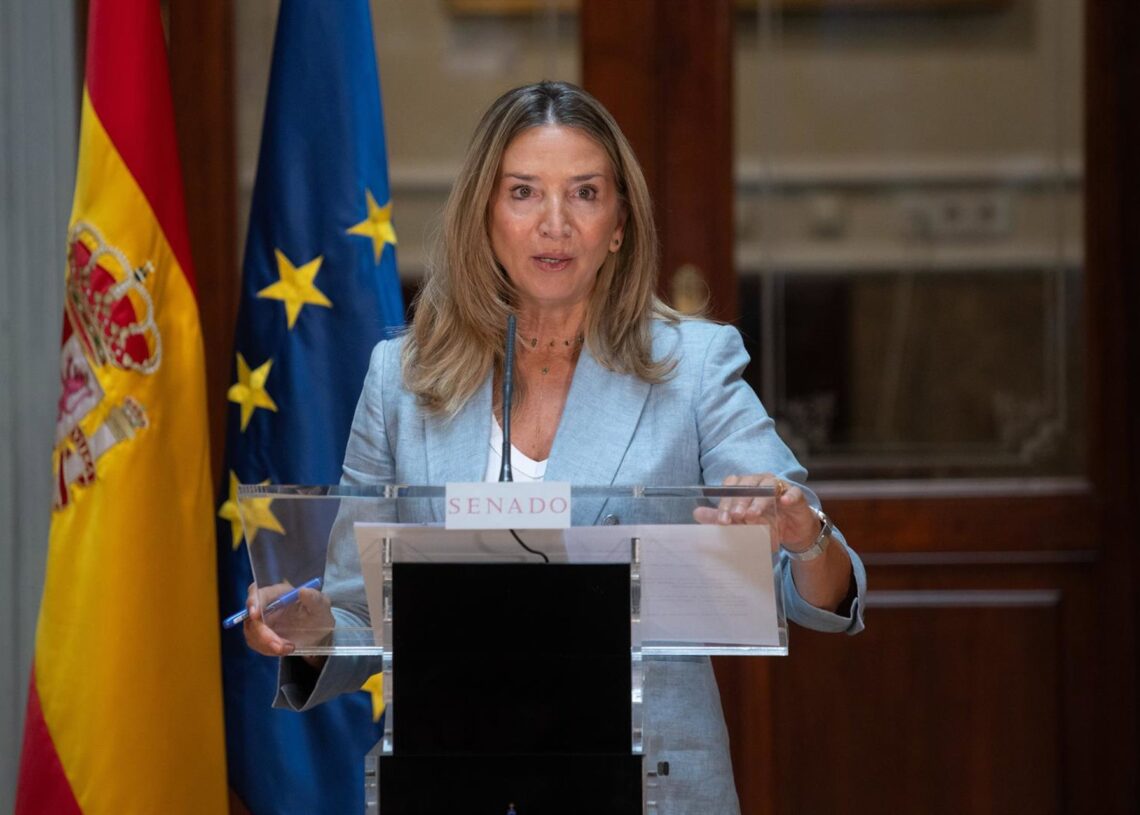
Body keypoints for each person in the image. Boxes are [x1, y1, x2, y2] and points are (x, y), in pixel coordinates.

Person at [243, 80, 866, 812]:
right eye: (524, 193)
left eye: (585, 193)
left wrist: (804, 534)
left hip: (645, 792)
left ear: (620, 223)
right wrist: (307, 627)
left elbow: (822, 590)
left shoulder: (695, 367)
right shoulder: (401, 380)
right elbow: (358, 614)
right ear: (484, 215)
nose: (555, 223)